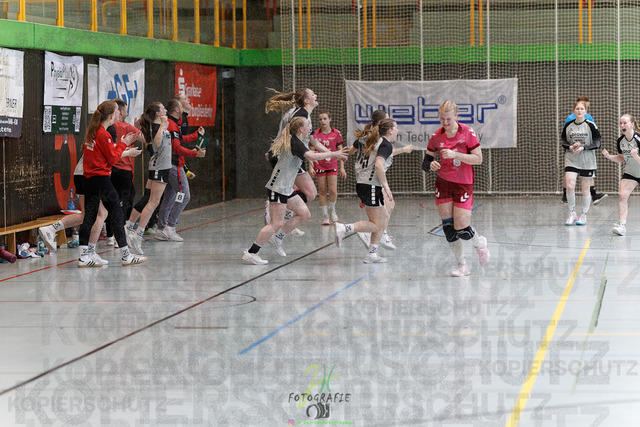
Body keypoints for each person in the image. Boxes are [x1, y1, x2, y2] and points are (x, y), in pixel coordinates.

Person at [243, 116, 348, 264]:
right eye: (308, 125)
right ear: (301, 129)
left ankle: (278, 237)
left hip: (286, 188)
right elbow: (311, 155)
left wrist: (332, 156)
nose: (310, 128)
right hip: (278, 187)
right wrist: (332, 154)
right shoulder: (295, 142)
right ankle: (252, 253)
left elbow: (311, 153)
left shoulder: (299, 141)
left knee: (304, 214)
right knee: (275, 223)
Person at [423, 100, 490, 277]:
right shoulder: (436, 136)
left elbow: (478, 159)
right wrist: (432, 165)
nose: (445, 123)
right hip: (443, 184)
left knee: (462, 228)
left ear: (456, 116)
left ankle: (480, 244)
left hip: (463, 184)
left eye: (448, 119)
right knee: (448, 228)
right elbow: (426, 162)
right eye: (442, 119)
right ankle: (462, 265)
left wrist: (455, 155)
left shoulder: (467, 132)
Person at [77, 100, 146, 267]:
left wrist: (122, 146)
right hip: (101, 179)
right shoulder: (103, 134)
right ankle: (126, 255)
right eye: (116, 111)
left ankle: (85, 256)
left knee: (90, 216)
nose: (118, 113)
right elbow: (113, 158)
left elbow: (108, 154)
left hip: (89, 179)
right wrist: (124, 143)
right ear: (110, 115)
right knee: (116, 214)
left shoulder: (93, 132)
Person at [263, 88, 332, 234]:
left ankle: (285, 215)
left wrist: (330, 153)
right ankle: (273, 205)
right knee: (306, 192)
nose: (316, 95)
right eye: (313, 94)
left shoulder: (305, 115)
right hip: (286, 156)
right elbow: (285, 134)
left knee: (310, 193)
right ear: (306, 100)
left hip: (293, 155)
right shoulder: (300, 115)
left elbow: (314, 141)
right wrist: (274, 149)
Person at [334, 118, 398, 264]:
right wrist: (386, 187)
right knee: (377, 224)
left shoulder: (368, 139)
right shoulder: (385, 144)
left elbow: (351, 151)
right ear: (390, 131)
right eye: (396, 127)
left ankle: (372, 253)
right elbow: (378, 166)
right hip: (371, 185)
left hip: (362, 183)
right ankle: (345, 228)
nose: (397, 130)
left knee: (383, 218)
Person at [351, 110, 413, 251]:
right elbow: (380, 159)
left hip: (365, 178)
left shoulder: (370, 136)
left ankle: (378, 236)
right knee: (382, 213)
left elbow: (381, 154)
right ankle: (370, 233)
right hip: (371, 179)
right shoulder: (376, 138)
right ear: (382, 123)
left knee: (389, 206)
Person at [154, 98, 206, 242]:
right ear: (177, 110)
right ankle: (170, 227)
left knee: (170, 197)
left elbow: (179, 140)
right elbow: (177, 148)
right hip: (174, 165)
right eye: (181, 106)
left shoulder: (173, 124)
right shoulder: (172, 125)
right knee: (184, 195)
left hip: (169, 165)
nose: (183, 108)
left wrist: (196, 135)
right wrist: (196, 154)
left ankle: (161, 229)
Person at [124, 102, 172, 254]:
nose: (165, 110)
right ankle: (137, 234)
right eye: (163, 108)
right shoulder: (158, 126)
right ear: (157, 113)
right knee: (153, 202)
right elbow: (156, 143)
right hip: (160, 167)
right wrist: (163, 125)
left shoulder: (157, 125)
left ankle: (129, 227)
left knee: (148, 199)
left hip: (161, 166)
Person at [104, 98, 144, 246]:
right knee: (123, 204)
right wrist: (142, 127)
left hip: (109, 170)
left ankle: (110, 236)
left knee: (110, 203)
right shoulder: (126, 126)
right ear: (120, 112)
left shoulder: (107, 127)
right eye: (126, 110)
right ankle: (119, 237)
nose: (127, 113)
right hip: (123, 170)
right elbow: (147, 139)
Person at [561, 99, 602, 226]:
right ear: (574, 111)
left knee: (585, 188)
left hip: (587, 160)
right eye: (577, 109)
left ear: (585, 111)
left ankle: (583, 215)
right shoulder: (568, 125)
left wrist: (584, 147)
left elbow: (597, 143)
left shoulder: (590, 125)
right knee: (570, 184)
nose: (579, 111)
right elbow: (563, 141)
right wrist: (571, 147)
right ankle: (572, 213)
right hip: (572, 158)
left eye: (582, 109)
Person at [602, 114, 640, 236]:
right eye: (620, 123)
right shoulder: (620, 141)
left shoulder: (638, 139)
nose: (622, 125)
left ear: (632, 124)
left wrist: (635, 156)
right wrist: (609, 157)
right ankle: (622, 226)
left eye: (625, 123)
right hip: (631, 172)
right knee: (622, 196)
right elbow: (621, 158)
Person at [311, 110, 345, 225]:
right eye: (320, 119)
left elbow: (341, 151)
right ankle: (325, 215)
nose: (322, 121)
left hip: (332, 164)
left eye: (325, 119)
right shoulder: (315, 133)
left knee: (333, 191)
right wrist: (311, 167)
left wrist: (342, 167)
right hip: (319, 165)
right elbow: (311, 151)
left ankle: (332, 209)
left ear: (330, 119)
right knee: (322, 191)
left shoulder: (336, 133)